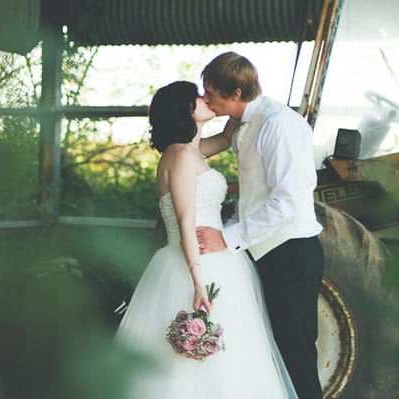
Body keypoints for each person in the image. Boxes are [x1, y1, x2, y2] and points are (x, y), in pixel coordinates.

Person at [115, 81, 299, 399]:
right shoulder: (182, 156)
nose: (205, 99)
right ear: (185, 109)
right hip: (195, 261)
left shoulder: (189, 151)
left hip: (219, 259)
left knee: (227, 357)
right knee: (191, 364)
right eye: (198, 97)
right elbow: (187, 223)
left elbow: (228, 137)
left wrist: (241, 101)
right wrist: (198, 282)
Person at [196, 52, 325, 399]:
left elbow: (288, 202)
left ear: (236, 93)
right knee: (272, 354)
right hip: (265, 251)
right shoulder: (242, 125)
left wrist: (228, 238)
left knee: (296, 355)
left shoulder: (278, 124)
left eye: (211, 93)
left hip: (292, 254)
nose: (205, 99)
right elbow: (256, 194)